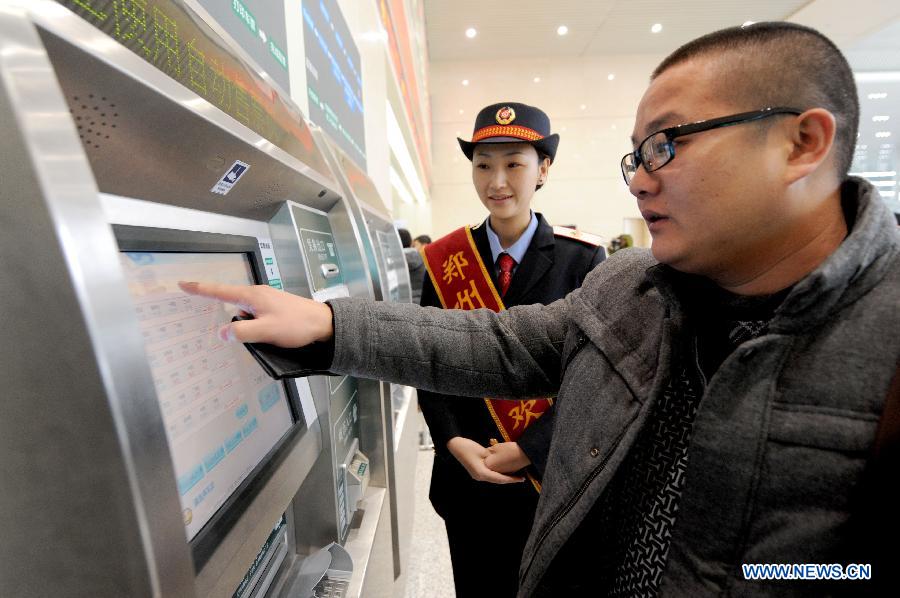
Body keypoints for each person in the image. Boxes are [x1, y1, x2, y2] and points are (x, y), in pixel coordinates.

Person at [182, 22, 900, 597]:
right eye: (635, 155)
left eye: (667, 145)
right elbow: (499, 345)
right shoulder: (635, 287)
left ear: (801, 142)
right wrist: (331, 327)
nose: (642, 182)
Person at [416, 102, 605, 597]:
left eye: (514, 164)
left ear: (543, 169)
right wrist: (453, 441)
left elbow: (596, 379)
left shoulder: (583, 259)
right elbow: (429, 364)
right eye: (483, 165)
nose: (497, 180)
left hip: (549, 479)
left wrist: (528, 449)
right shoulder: (445, 260)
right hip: (469, 481)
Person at [397, 228, 425, 304]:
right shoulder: (421, 256)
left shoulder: (395, 260)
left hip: (405, 304)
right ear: (411, 242)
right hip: (421, 301)